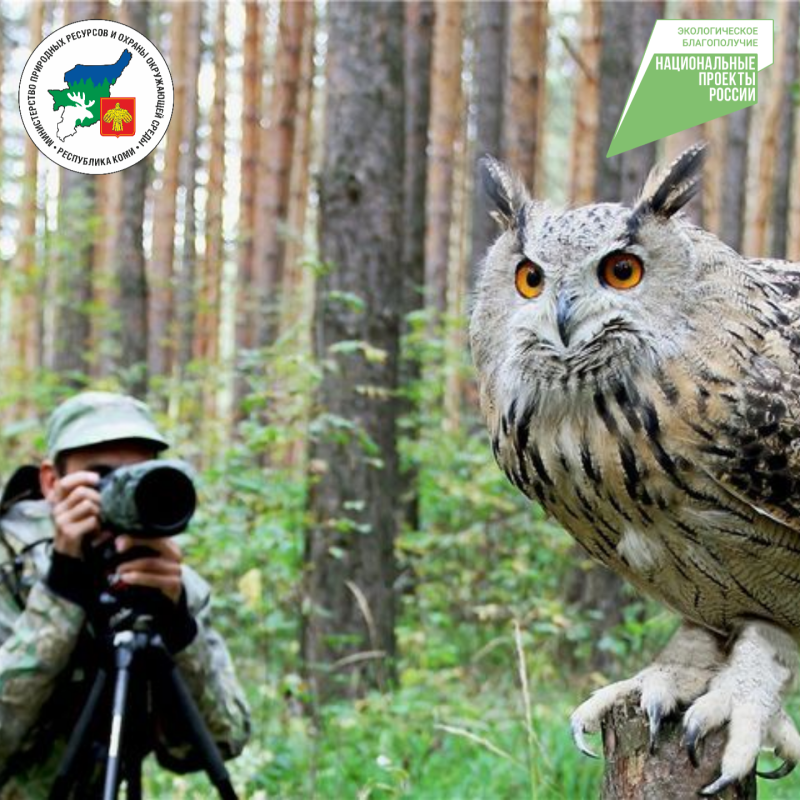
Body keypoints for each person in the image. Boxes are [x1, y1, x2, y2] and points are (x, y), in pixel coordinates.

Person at [0, 391, 250, 797]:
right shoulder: (11, 567)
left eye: (136, 479)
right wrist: (61, 594)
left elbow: (222, 742)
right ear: (51, 482)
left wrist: (178, 629)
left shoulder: (168, 583)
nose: (120, 495)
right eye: (101, 478)